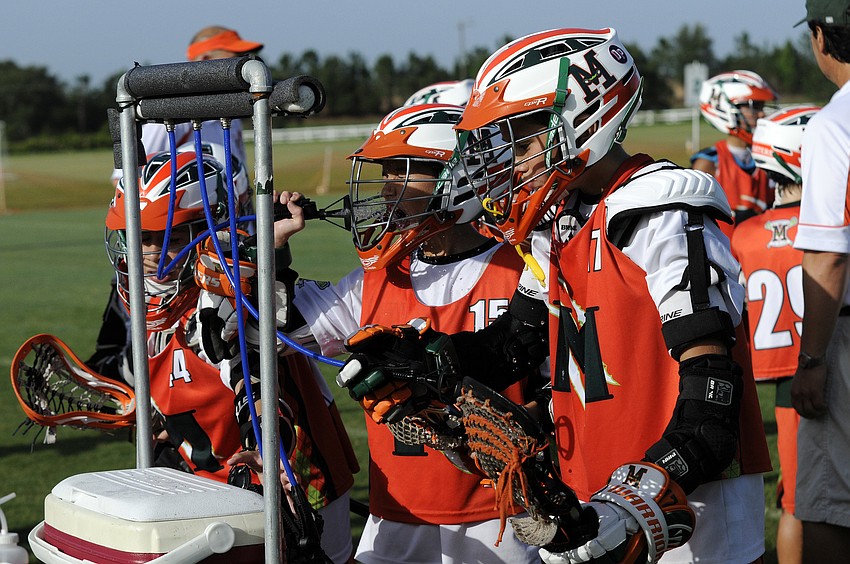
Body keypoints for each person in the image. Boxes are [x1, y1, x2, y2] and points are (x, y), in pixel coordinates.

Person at [338, 28, 773, 563]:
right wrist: (425, 359)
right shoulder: (560, 222)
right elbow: (514, 344)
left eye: (522, 142)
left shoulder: (659, 210)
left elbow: (711, 385)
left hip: (682, 497)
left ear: (583, 118)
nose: (510, 163)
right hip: (594, 483)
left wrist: (649, 489)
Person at [270, 102, 543, 563]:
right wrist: (274, 251)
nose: (386, 188)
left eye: (402, 171)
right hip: (396, 517)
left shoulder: (525, 270)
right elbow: (265, 338)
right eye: (386, 173)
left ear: (458, 178)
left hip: (506, 516)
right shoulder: (376, 280)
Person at [97, 146, 359, 563]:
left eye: (171, 238)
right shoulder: (150, 312)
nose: (151, 256)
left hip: (294, 476)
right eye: (141, 238)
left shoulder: (226, 299)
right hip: (214, 489)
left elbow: (249, 378)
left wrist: (264, 442)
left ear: (208, 231)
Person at [731, 104, 820, 564]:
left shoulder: (742, 235)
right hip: (825, 366)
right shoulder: (831, 224)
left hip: (783, 382)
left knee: (797, 499)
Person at [789, 1, 850, 560]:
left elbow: (829, 255)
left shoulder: (834, 124)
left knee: (830, 504)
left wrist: (811, 360)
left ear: (821, 38)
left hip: (846, 336)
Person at [110, 25, 263, 188]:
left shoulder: (234, 114)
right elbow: (124, 180)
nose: (245, 64)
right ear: (206, 60)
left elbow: (239, 178)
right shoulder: (170, 111)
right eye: (238, 57)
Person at [691, 70, 778, 238]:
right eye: (754, 106)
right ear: (726, 109)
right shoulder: (709, 163)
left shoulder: (768, 156)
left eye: (761, 107)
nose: (762, 114)